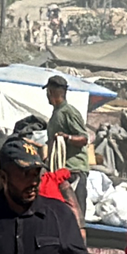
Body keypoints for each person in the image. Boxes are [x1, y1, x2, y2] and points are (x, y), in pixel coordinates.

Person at [44, 75, 93, 218]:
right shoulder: (56, 113)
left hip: (73, 171)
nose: (47, 95)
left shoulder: (69, 112)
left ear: (52, 92)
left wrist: (67, 137)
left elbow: (84, 138)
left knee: (74, 213)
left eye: (48, 91)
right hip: (60, 171)